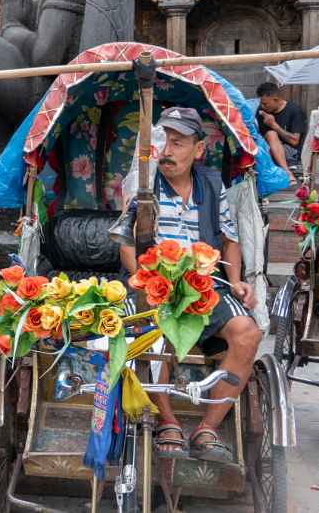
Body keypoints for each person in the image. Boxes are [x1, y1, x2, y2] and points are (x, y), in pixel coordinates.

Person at [119, 106, 261, 463]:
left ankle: (208, 426)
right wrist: (144, 278)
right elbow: (125, 241)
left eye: (178, 142)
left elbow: (229, 238)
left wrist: (236, 282)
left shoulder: (214, 185)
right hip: (155, 284)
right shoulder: (144, 186)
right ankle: (166, 420)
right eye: (164, 141)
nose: (167, 150)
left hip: (206, 283)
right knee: (158, 329)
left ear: (198, 150)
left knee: (248, 333)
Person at [256, 82, 305, 182]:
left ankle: (286, 172)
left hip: (290, 152)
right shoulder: (262, 111)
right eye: (261, 103)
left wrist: (274, 125)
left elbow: (295, 141)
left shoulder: (294, 110)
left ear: (276, 99)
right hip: (268, 150)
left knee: (271, 133)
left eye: (265, 103)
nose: (262, 106)